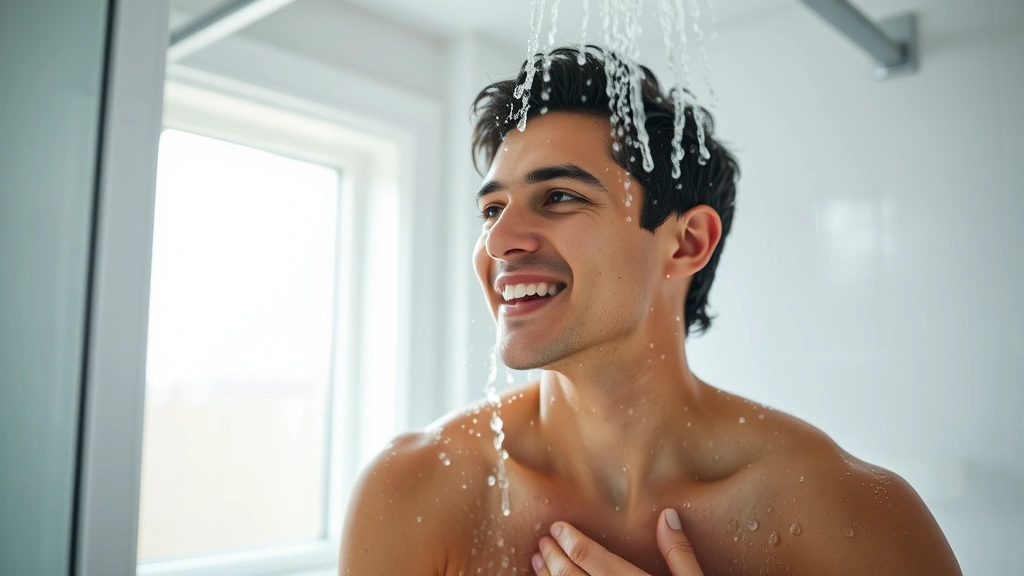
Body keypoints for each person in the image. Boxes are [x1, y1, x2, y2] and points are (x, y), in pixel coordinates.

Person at [338, 46, 962, 575]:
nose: (498, 243)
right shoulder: (411, 492)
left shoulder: (854, 518)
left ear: (687, 241)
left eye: (558, 196)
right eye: (493, 209)